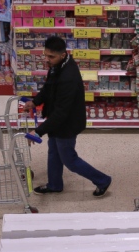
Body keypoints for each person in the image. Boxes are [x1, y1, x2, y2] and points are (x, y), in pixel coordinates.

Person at [24, 36, 112, 197]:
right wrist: (35, 101)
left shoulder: (68, 77)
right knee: (53, 152)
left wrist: (38, 132)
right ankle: (55, 184)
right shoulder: (57, 65)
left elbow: (61, 112)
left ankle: (103, 180)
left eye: (51, 56)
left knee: (69, 160)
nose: (47, 59)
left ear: (63, 55)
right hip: (57, 121)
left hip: (67, 123)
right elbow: (48, 87)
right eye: (46, 55)